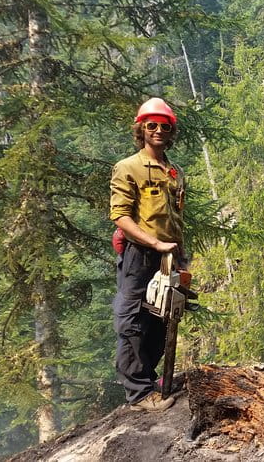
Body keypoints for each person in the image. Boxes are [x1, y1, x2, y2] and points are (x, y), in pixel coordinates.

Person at [109, 97, 186, 412]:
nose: (157, 130)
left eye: (163, 126)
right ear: (141, 129)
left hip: (169, 255)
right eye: (150, 125)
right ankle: (137, 393)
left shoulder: (173, 171)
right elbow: (121, 217)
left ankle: (149, 380)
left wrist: (177, 253)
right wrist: (154, 244)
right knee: (133, 320)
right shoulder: (128, 167)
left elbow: (175, 217)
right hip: (141, 255)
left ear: (170, 131)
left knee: (162, 318)